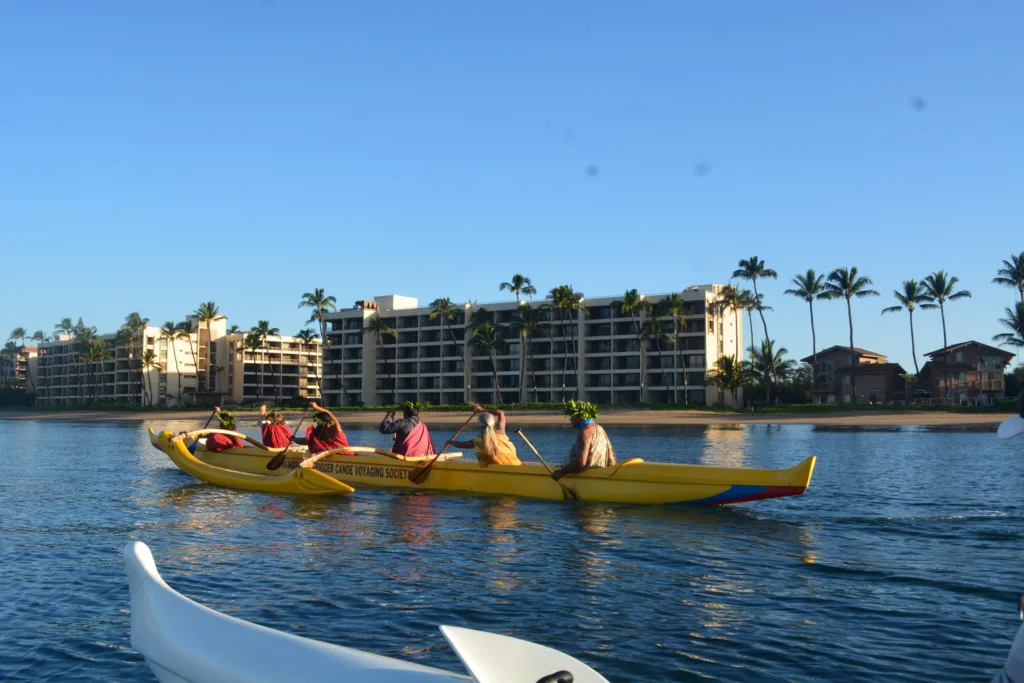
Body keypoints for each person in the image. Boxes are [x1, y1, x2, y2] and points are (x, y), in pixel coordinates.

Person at [552, 400, 616, 480]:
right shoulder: (599, 428)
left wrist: (562, 472)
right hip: (601, 473)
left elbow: (581, 463)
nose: (570, 419)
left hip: (589, 477)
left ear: (580, 416)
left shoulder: (585, 432)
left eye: (572, 416)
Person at [447, 403, 521, 466]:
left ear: (480, 425)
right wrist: (482, 410)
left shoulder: (478, 441)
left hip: (500, 469)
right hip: (516, 464)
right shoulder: (501, 431)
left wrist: (450, 442)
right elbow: (500, 412)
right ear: (493, 423)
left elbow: (461, 445)